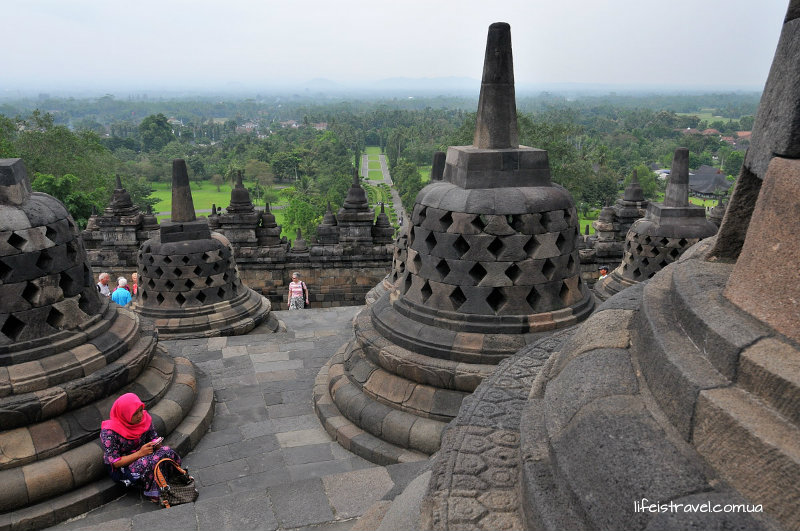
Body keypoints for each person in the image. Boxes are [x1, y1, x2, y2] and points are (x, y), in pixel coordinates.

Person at [100, 393, 183, 501]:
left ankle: (173, 477)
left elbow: (153, 437)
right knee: (151, 461)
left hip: (144, 453)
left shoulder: (144, 418)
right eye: (135, 413)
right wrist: (140, 453)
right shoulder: (109, 432)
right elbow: (115, 462)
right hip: (124, 467)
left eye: (140, 410)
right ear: (125, 414)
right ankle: (155, 492)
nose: (140, 415)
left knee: (167, 451)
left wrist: (156, 444)